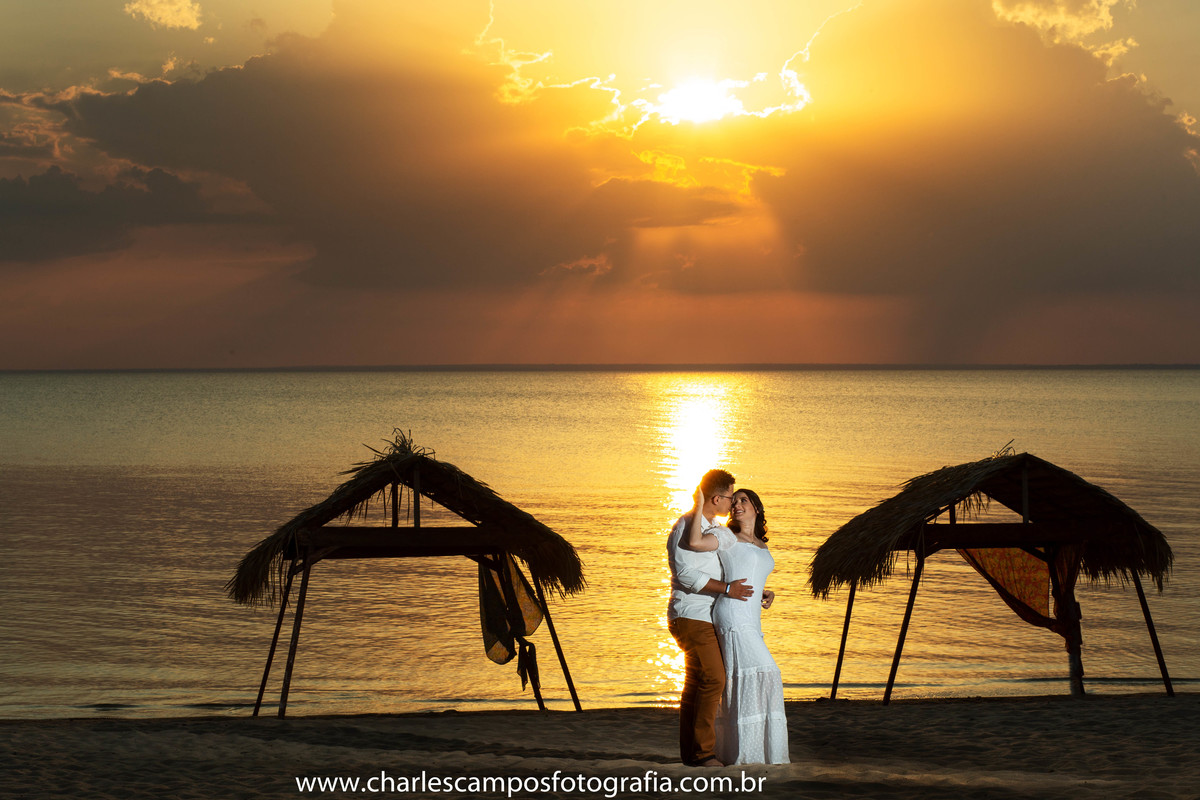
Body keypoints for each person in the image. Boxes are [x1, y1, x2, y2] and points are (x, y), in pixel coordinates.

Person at [685, 487, 789, 765]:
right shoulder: (726, 536)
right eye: (735, 501)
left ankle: (755, 754)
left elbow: (750, 572)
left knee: (748, 678)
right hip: (732, 614)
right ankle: (746, 754)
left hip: (751, 617)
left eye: (744, 500)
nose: (737, 505)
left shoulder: (762, 544)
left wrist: (765, 592)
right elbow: (694, 542)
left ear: (757, 507)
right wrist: (698, 506)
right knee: (767, 672)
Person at [666, 469, 753, 767]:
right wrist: (727, 589)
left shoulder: (715, 528)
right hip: (691, 615)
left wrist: (755, 590)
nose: (733, 503)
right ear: (716, 498)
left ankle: (692, 754)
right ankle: (703, 753)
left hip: (707, 616)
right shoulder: (685, 526)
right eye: (730, 497)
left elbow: (727, 566)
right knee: (714, 678)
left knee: (696, 682)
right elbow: (686, 575)